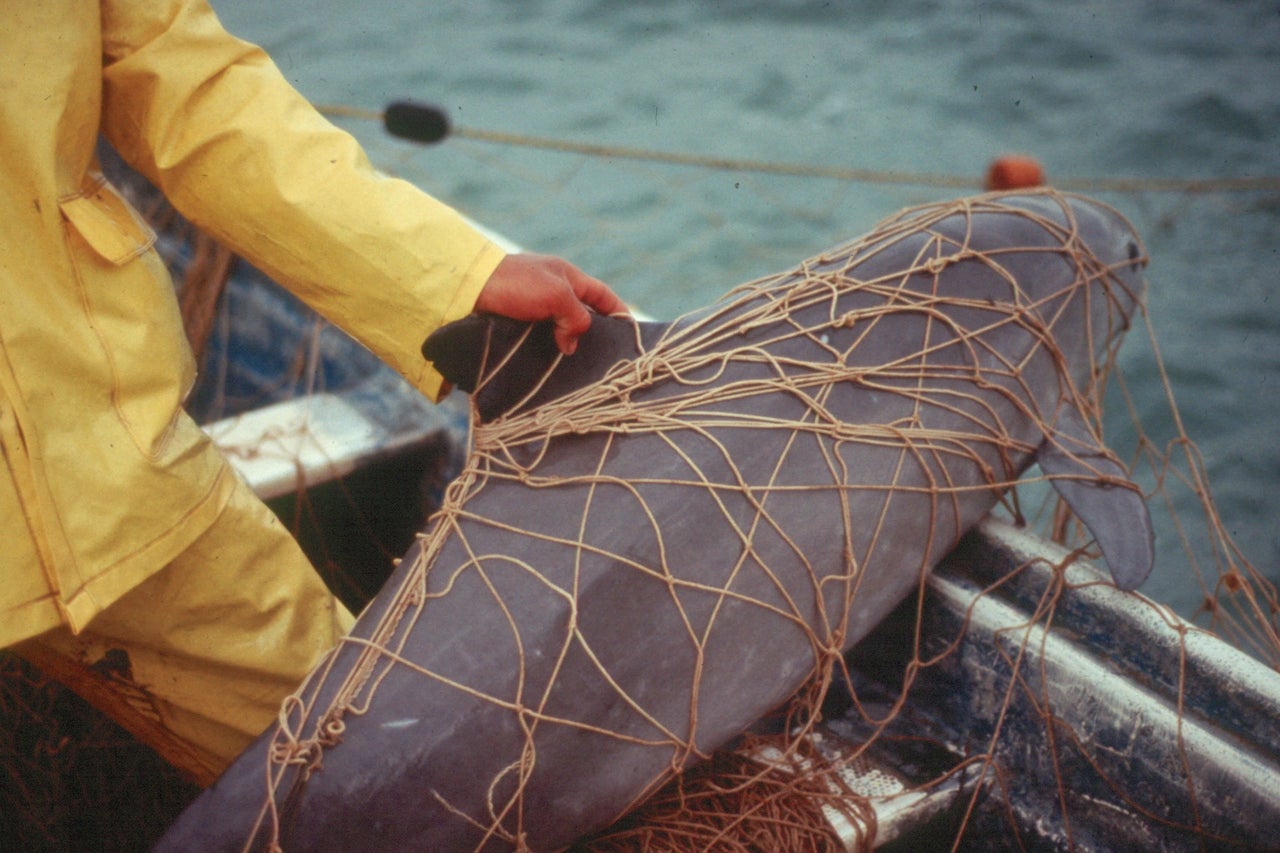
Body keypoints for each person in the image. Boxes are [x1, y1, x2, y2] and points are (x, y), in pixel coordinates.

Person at [0, 1, 626, 785]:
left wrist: (458, 274)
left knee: (389, 774)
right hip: (89, 462)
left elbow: (186, 82)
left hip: (98, 457)